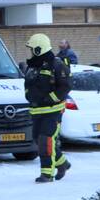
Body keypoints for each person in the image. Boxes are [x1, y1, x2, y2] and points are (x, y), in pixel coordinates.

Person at [24, 33, 72, 184]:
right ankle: (62, 163)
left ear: (39, 49)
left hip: (52, 111)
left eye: (32, 49)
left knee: (46, 140)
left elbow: (66, 86)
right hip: (36, 111)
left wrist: (50, 98)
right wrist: (29, 96)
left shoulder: (57, 65)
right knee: (39, 140)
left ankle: (47, 174)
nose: (30, 52)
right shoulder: (32, 66)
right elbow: (28, 85)